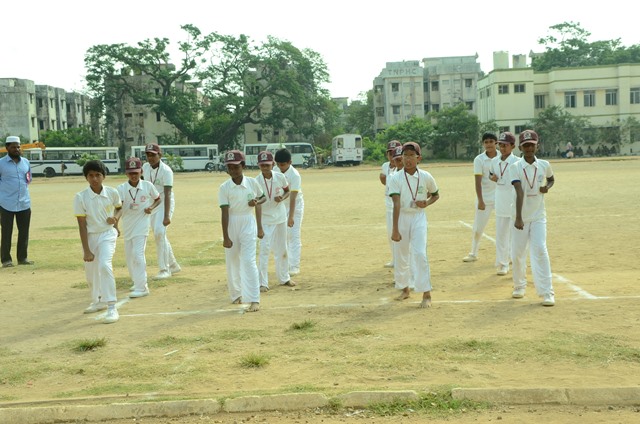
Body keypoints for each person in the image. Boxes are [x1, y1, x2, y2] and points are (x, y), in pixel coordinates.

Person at [389, 142, 440, 308]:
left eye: (412, 155)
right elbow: (396, 204)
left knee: (419, 253)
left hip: (418, 217)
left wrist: (427, 203)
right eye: (405, 155)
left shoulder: (426, 176)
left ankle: (426, 293)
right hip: (401, 217)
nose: (408, 159)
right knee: (401, 254)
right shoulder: (396, 178)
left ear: (419, 158)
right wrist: (395, 229)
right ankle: (405, 289)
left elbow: (435, 195)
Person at [510, 130, 555, 307]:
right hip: (519, 217)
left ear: (537, 146)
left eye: (532, 145)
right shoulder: (515, 167)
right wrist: (519, 217)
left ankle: (547, 292)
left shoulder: (544, 165)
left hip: (538, 216)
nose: (529, 148)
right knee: (518, 253)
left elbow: (551, 179)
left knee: (540, 249)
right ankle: (519, 286)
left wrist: (547, 187)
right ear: (520, 147)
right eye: (526, 145)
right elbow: (519, 192)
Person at [74, 160, 122, 323]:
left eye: (98, 175)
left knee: (104, 265)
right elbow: (82, 225)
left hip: (108, 234)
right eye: (91, 175)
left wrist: (115, 219)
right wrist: (86, 250)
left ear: (104, 176)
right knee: (91, 272)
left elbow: (119, 208)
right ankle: (97, 301)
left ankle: (112, 306)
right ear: (86, 177)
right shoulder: (80, 197)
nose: (94, 179)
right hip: (91, 236)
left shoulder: (112, 192)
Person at [219, 150, 265, 312]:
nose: (233, 170)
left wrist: (256, 201)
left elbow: (263, 197)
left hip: (248, 222)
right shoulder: (224, 187)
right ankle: (236, 294)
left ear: (243, 166)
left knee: (248, 260)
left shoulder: (252, 182)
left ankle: (254, 298)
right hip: (231, 222)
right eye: (230, 167)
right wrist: (226, 236)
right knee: (232, 260)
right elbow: (224, 213)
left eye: (236, 167)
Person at [114, 157, 161, 298]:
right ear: (126, 173)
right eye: (130, 173)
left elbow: (158, 199)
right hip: (128, 225)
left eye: (136, 172)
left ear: (141, 172)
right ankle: (136, 281)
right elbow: (119, 208)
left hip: (142, 225)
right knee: (129, 257)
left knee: (138, 254)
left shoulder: (147, 186)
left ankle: (142, 287)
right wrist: (115, 225)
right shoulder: (121, 189)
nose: (133, 176)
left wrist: (150, 207)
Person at [255, 151, 295, 291]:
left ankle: (284, 278)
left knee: (282, 248)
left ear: (273, 164)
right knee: (264, 250)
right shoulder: (256, 181)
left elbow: (287, 191)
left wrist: (282, 198)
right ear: (259, 166)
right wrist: (259, 227)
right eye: (262, 165)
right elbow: (257, 204)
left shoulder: (280, 177)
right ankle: (262, 282)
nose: (265, 168)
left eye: (267, 165)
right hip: (265, 219)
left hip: (280, 218)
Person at [142, 143, 180, 279]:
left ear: (160, 155)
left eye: (153, 155)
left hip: (164, 202)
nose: (150, 158)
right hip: (152, 203)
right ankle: (173, 265)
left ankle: (165, 269)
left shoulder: (166, 171)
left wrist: (166, 216)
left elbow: (168, 193)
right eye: (148, 155)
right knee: (160, 234)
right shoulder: (145, 168)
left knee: (159, 232)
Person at [463, 132, 498, 262]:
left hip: (500, 197)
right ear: (483, 144)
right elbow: (478, 182)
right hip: (485, 197)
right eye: (486, 142)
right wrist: (480, 200)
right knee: (478, 227)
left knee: (505, 227)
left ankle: (508, 254)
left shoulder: (502, 157)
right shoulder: (479, 159)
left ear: (496, 143)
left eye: (491, 142)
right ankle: (473, 253)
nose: (489, 144)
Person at [0, 136, 34, 268]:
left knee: (24, 232)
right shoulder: (1, 163)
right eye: (13, 147)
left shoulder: (26, 162)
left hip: (24, 203)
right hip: (6, 203)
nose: (17, 149)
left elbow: (28, 179)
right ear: (7, 148)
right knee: (6, 232)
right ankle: (6, 260)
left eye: (18, 147)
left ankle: (22, 258)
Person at [489, 132, 519, 276]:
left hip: (514, 202)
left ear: (513, 146)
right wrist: (493, 178)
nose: (502, 148)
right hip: (500, 201)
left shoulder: (518, 162)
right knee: (501, 234)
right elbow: (490, 174)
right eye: (500, 145)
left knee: (516, 235)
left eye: (505, 145)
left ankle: (515, 261)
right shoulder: (494, 161)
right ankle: (502, 263)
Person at [274, 148, 304, 276]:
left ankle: (294, 266)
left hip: (295, 205)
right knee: (282, 236)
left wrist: (291, 217)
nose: (280, 167)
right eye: (278, 164)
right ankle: (284, 264)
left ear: (290, 162)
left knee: (293, 235)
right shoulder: (275, 171)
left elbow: (293, 197)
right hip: (281, 205)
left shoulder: (295, 175)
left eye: (282, 164)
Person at [380, 140, 402, 268]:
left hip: (400, 206)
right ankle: (394, 259)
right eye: (389, 153)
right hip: (389, 205)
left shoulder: (403, 168)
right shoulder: (385, 166)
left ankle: (402, 260)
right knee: (390, 234)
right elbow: (383, 179)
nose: (391, 155)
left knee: (402, 234)